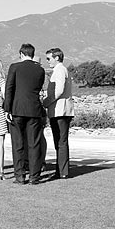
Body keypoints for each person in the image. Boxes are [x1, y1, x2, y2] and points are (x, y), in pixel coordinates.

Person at [3, 43, 48, 184]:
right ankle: (34, 176)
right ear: (33, 54)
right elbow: (39, 88)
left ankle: (20, 175)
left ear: (21, 54)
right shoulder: (40, 70)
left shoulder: (14, 67)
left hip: (17, 109)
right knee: (34, 144)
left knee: (18, 144)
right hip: (34, 109)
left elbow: (9, 88)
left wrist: (7, 109)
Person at [45, 48, 75, 180]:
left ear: (56, 58)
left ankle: (63, 171)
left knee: (61, 141)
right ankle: (60, 169)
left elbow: (59, 90)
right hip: (58, 110)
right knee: (59, 141)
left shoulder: (60, 70)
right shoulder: (58, 70)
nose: (48, 62)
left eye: (49, 58)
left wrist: (45, 102)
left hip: (61, 111)